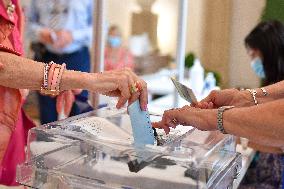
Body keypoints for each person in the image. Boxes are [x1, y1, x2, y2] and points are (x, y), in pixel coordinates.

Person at [0, 0, 147, 185]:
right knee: (47, 129)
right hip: (43, 60)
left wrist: (45, 82)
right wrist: (90, 80)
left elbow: (15, 53)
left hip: (67, 61)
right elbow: (4, 66)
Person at [27, 0, 94, 124]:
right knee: (47, 114)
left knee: (78, 113)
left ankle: (77, 143)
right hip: (46, 56)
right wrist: (40, 33)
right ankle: (47, 143)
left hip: (77, 57)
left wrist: (73, 35)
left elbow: (99, 27)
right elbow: (28, 23)